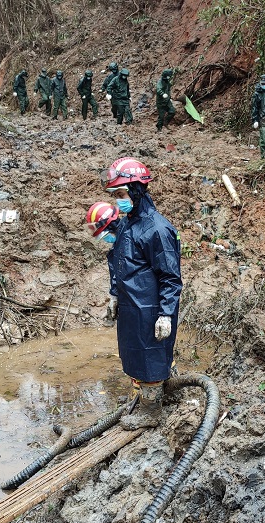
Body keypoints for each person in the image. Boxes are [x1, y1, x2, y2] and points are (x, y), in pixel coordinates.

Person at [102, 157, 182, 429]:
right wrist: (114, 295)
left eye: (122, 194)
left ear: (137, 190)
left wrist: (165, 314)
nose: (118, 201)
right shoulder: (126, 224)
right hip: (130, 306)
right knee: (133, 353)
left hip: (150, 308)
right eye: (115, 196)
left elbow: (171, 277)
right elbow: (119, 262)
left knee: (151, 355)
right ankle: (143, 398)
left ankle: (151, 412)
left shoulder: (157, 229)